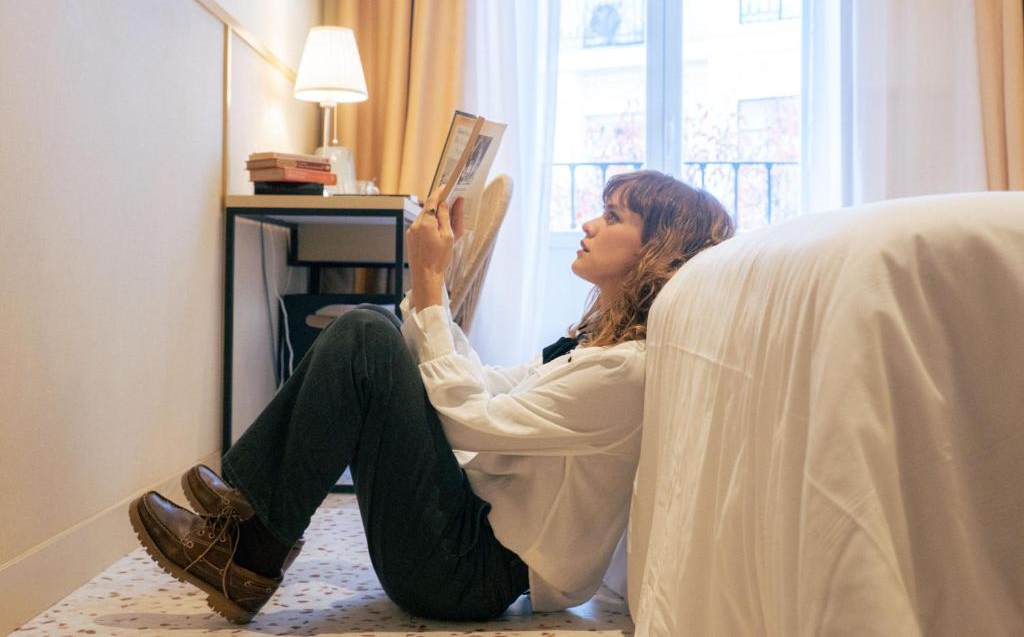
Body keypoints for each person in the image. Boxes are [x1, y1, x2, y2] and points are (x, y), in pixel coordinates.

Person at [128, 169, 735, 624]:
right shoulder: (597, 343)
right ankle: (248, 535)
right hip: (469, 542)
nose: (589, 225)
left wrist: (430, 278)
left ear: (655, 250)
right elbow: (490, 384)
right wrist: (429, 292)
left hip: (468, 573)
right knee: (373, 330)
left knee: (366, 333)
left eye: (613, 216)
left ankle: (250, 543)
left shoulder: (623, 371)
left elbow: (470, 421)